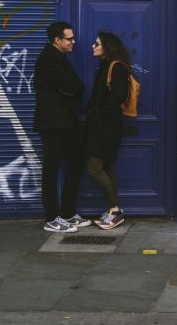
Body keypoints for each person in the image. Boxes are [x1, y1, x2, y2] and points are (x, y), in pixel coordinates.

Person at [34, 21, 89, 233]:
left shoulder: (60, 59)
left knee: (75, 164)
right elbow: (73, 85)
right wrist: (70, 90)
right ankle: (51, 218)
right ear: (58, 40)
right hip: (53, 124)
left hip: (65, 122)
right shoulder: (48, 59)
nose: (73, 42)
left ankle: (67, 213)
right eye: (70, 39)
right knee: (51, 169)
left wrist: (70, 90)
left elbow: (76, 85)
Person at [85, 30, 130, 230]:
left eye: (97, 44)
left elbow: (118, 96)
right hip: (103, 126)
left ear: (107, 46)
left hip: (107, 127)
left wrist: (101, 114)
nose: (93, 47)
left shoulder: (116, 67)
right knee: (107, 166)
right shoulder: (105, 65)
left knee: (94, 168)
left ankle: (115, 210)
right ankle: (114, 209)